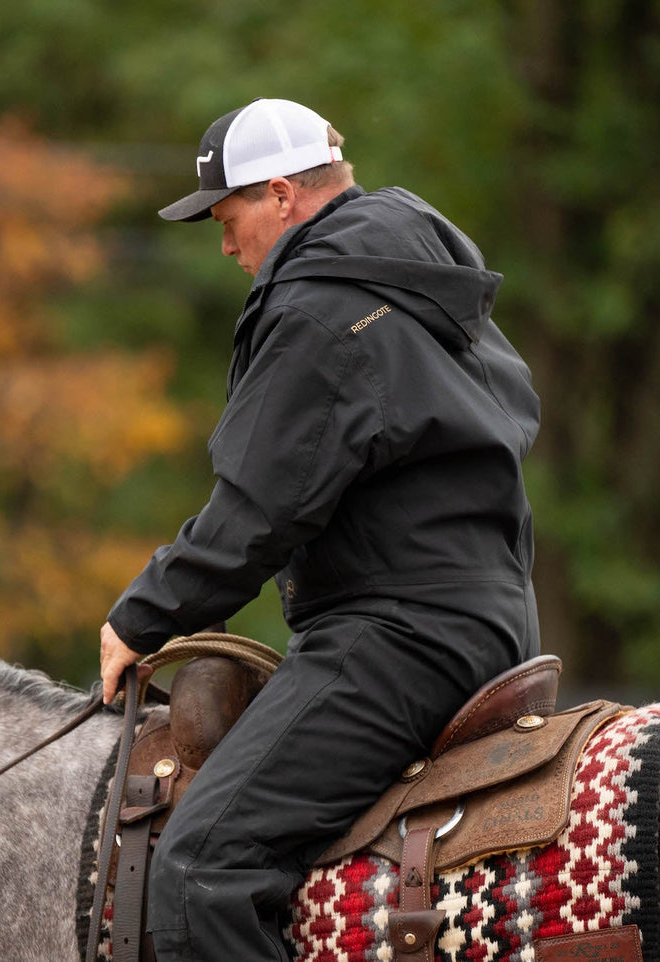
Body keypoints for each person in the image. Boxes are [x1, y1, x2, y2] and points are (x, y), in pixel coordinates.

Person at [98, 98, 541, 962]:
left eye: (227, 221)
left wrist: (140, 616)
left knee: (197, 867)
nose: (225, 246)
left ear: (280, 196)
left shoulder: (318, 307)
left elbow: (258, 509)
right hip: (493, 618)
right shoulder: (422, 285)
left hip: (396, 635)